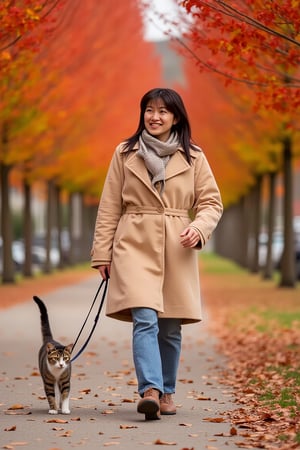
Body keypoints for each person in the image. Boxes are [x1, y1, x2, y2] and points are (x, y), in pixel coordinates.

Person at [91, 87, 223, 420]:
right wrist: (102, 254)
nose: (155, 116)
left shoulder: (194, 156)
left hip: (177, 244)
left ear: (176, 116)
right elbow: (109, 206)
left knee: (170, 327)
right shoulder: (124, 152)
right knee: (145, 318)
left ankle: (167, 392)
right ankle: (149, 390)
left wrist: (199, 227)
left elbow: (211, 202)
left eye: (163, 111)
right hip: (133, 241)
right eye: (149, 109)